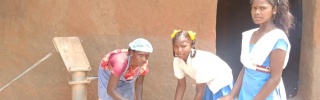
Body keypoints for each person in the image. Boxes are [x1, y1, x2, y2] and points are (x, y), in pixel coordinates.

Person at [219, 0, 294, 99]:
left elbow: (275, 78)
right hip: (246, 92)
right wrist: (232, 95)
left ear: (274, 9)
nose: (257, 12)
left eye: (262, 8)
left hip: (265, 95)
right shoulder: (249, 35)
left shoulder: (277, 38)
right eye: (254, 8)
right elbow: (246, 68)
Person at [171, 30, 234, 100]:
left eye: (183, 46)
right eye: (176, 46)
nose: (179, 50)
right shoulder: (177, 60)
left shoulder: (198, 61)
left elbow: (199, 91)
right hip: (207, 81)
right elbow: (181, 85)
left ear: (191, 45)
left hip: (221, 80)